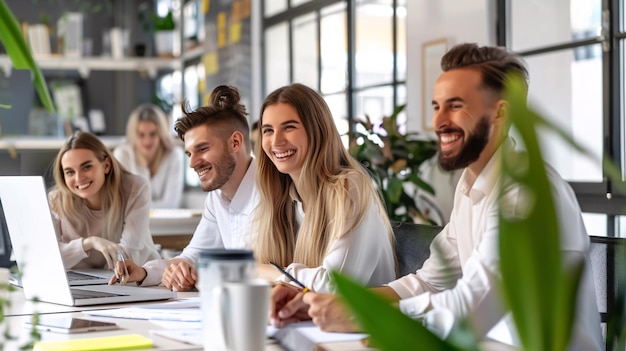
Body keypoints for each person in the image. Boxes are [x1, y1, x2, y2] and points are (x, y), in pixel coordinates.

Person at [268, 44, 602, 350]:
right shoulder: (472, 185)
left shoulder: (524, 194)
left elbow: (471, 309)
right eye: (436, 106)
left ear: (500, 113)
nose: (438, 122)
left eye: (455, 107)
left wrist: (360, 314)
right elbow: (432, 281)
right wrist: (339, 305)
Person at [109, 85, 258, 290]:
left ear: (235, 143)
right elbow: (191, 256)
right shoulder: (217, 197)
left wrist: (195, 276)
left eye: (203, 149)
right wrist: (145, 272)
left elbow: (259, 271)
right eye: (189, 153)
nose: (193, 163)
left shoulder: (271, 191)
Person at [254, 83, 396, 293]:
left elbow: (336, 285)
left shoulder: (349, 186)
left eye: (289, 127)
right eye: (268, 130)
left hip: (364, 325)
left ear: (317, 131)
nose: (276, 141)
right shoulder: (281, 197)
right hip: (313, 322)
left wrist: (265, 271)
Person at [49, 131, 161, 270]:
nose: (78, 178)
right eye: (70, 172)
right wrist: (89, 243)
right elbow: (48, 258)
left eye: (87, 167)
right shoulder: (56, 201)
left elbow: (129, 254)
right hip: (81, 285)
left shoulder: (135, 188)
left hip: (139, 281)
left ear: (106, 165)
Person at [113, 103, 184, 208]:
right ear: (133, 135)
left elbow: (171, 205)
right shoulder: (122, 155)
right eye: (141, 135)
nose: (147, 141)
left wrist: (137, 207)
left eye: (153, 134)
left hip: (166, 223)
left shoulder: (174, 155)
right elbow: (122, 203)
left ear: (161, 134)